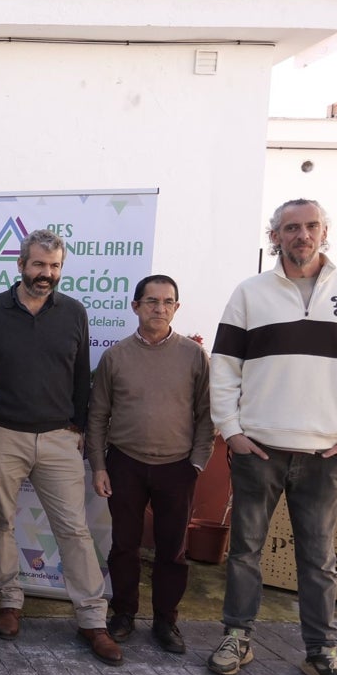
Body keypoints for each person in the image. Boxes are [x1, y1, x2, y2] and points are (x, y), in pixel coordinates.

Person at [207, 199, 337, 675]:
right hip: (258, 449)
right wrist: (233, 431)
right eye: (291, 227)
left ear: (324, 232)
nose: (301, 235)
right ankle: (238, 637)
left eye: (310, 226)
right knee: (244, 551)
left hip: (324, 454)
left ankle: (321, 652)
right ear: (275, 235)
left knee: (318, 559)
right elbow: (224, 367)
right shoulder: (250, 293)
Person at [0, 228, 122, 666]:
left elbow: (80, 376)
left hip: (58, 438)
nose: (46, 274)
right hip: (2, 433)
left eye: (54, 267)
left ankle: (93, 619)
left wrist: (76, 430)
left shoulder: (74, 312)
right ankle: (10, 600)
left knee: (73, 529)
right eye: (38, 265)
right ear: (20, 264)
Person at [86, 275, 214, 654]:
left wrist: (197, 463)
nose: (160, 308)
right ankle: (123, 613)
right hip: (125, 462)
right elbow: (97, 415)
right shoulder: (116, 356)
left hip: (178, 467)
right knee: (124, 545)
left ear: (176, 307)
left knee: (172, 549)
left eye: (168, 302)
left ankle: (165, 620)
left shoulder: (193, 356)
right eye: (152, 301)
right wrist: (98, 465)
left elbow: (207, 415)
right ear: (135, 307)